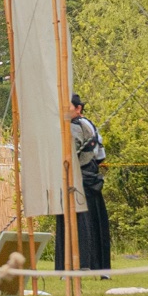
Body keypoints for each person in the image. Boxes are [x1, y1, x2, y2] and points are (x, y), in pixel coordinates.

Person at [53, 94, 112, 276]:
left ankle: (76, 265)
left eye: (68, 106)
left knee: (78, 224)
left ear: (78, 108)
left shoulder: (73, 126)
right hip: (91, 179)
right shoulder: (89, 124)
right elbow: (101, 156)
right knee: (95, 224)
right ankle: (100, 267)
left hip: (78, 180)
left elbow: (69, 154)